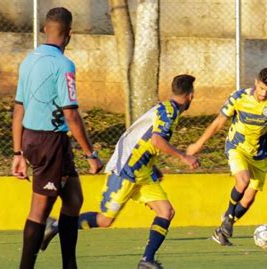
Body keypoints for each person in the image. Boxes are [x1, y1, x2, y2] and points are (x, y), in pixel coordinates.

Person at [40, 74, 200, 269]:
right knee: (105, 220)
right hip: (126, 169)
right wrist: (184, 157)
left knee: (166, 211)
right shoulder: (169, 111)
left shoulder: (166, 108)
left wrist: (152, 164)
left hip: (143, 170)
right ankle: (55, 226)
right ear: (190, 95)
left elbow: (144, 137)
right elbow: (157, 140)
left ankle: (146, 260)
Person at [11, 7, 104, 269]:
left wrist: (18, 153)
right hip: (49, 142)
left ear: (44, 30)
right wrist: (91, 155)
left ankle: (70, 265)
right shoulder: (64, 65)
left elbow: (18, 108)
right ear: (70, 34)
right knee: (39, 210)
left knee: (74, 199)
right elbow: (71, 115)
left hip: (35, 138)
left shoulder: (28, 60)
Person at [186, 68, 267, 246]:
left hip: (259, 155)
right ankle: (228, 217)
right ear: (256, 82)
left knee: (249, 199)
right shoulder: (239, 98)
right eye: (262, 88)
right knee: (243, 180)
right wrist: (198, 144)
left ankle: (224, 228)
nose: (264, 94)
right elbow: (218, 123)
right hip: (237, 147)